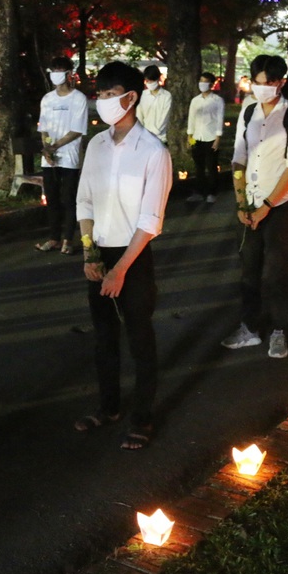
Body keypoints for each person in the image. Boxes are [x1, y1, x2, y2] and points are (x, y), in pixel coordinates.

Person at [74, 61, 172, 451]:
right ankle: (108, 406)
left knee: (139, 339)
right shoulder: (96, 145)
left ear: (131, 97)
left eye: (110, 94)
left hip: (133, 257)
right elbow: (84, 200)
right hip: (97, 255)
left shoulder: (153, 151)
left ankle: (142, 418)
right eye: (99, 94)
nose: (102, 101)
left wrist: (120, 269)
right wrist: (89, 252)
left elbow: (150, 220)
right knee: (103, 339)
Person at [222, 54, 288, 359]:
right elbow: (238, 155)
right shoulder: (247, 111)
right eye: (256, 83)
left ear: (280, 83)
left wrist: (267, 205)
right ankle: (249, 327)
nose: (261, 89)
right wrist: (241, 200)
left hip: (278, 206)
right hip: (249, 202)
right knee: (248, 269)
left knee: (275, 272)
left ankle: (278, 330)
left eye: (267, 83)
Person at [36, 56, 88, 254]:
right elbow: (44, 127)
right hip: (50, 158)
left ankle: (68, 239)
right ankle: (53, 237)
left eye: (60, 70)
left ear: (68, 74)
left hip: (70, 156)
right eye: (53, 70)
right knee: (52, 198)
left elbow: (76, 130)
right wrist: (47, 148)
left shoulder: (78, 98)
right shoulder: (47, 99)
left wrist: (55, 146)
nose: (55, 74)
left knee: (69, 198)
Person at [185, 72, 224, 203]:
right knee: (198, 166)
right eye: (200, 81)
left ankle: (212, 192)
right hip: (197, 137)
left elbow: (220, 119)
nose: (202, 84)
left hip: (211, 137)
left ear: (211, 84)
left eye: (205, 81)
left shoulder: (217, 101)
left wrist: (218, 138)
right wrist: (190, 137)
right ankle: (199, 192)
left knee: (211, 166)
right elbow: (191, 119)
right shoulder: (195, 100)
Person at [136, 64, 172, 145]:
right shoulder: (143, 95)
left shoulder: (166, 96)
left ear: (158, 78)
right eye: (147, 81)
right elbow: (139, 116)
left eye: (151, 81)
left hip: (161, 138)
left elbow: (165, 117)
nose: (149, 83)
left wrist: (154, 132)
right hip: (144, 137)